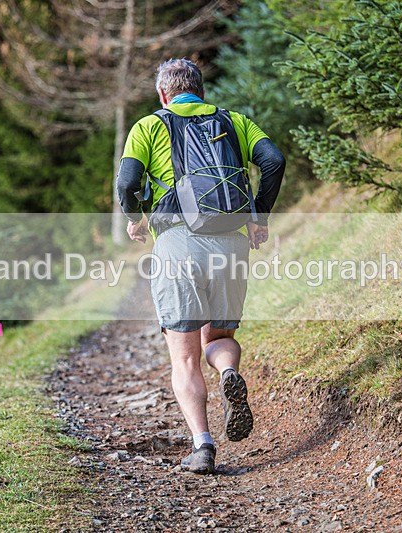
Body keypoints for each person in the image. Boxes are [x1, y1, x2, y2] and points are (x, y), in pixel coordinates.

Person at [115, 58, 285, 474]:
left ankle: (203, 446)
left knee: (184, 356)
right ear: (201, 90)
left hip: (176, 244)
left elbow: (127, 182)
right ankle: (228, 371)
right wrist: (257, 217)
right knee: (219, 336)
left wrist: (134, 218)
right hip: (230, 242)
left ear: (163, 94)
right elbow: (274, 161)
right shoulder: (236, 122)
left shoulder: (150, 125)